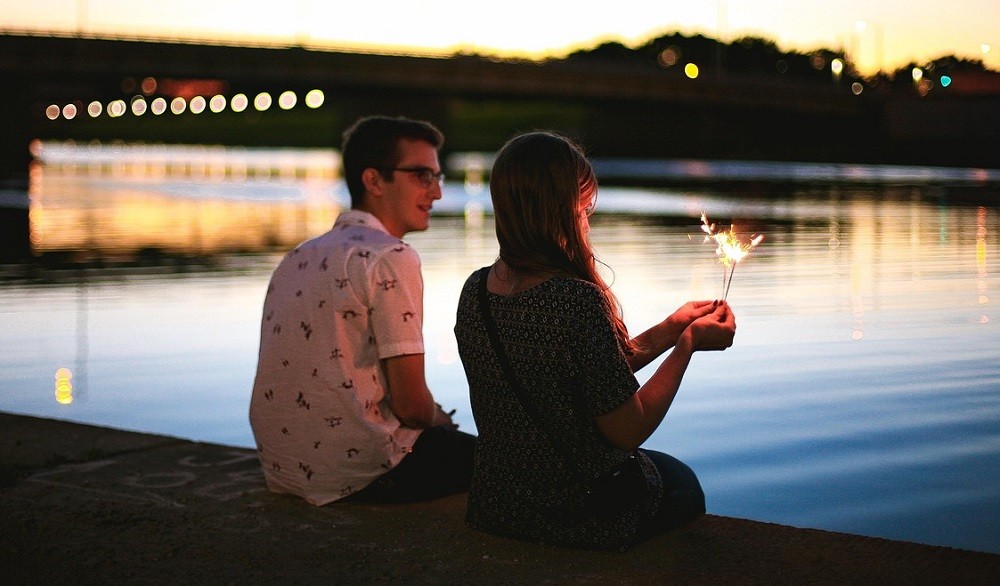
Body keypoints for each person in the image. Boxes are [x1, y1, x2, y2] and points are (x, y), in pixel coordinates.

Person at [454, 131, 736, 550]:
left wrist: (669, 328)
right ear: (559, 212)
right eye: (583, 209)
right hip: (573, 512)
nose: (587, 221)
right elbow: (627, 430)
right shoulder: (575, 299)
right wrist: (687, 346)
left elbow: (581, 373)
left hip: (499, 504)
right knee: (682, 482)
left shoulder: (475, 291)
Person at [249, 115, 475, 506]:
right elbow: (411, 406)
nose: (437, 193)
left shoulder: (298, 255)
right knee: (513, 469)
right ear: (374, 181)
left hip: (284, 468)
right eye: (422, 176)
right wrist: (440, 418)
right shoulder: (390, 257)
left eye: (437, 177)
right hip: (363, 472)